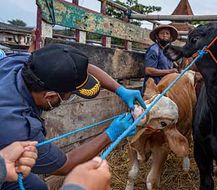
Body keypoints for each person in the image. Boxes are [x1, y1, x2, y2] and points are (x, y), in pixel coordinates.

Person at [0, 43, 145, 189]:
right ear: (50, 96)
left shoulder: (22, 64)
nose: (68, 98)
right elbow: (64, 165)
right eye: (70, 95)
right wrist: (111, 134)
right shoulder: (19, 129)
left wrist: (119, 89)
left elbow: (79, 68)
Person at [143, 24, 179, 92]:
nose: (165, 35)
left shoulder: (168, 51)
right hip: (153, 88)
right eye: (162, 33)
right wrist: (169, 71)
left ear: (170, 37)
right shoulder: (154, 50)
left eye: (167, 33)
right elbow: (148, 70)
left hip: (165, 87)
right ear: (157, 36)